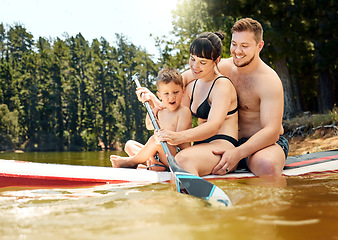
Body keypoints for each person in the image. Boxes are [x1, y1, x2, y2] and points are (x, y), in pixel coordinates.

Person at [183, 18, 289, 177]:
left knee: (267, 166)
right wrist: (153, 95)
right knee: (187, 162)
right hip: (225, 143)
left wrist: (238, 153)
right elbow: (182, 79)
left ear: (259, 46)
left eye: (244, 46)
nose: (237, 51)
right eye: (234, 44)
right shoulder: (222, 67)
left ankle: (271, 201)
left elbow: (272, 131)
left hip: (262, 145)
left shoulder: (269, 81)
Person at [154, 31, 238, 177]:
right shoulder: (193, 84)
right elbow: (173, 103)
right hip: (200, 147)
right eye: (192, 59)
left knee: (181, 160)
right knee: (155, 150)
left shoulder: (222, 85)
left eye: (202, 62)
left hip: (221, 147)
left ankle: (192, 198)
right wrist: (153, 101)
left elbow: (214, 126)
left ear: (216, 61)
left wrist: (178, 137)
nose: (195, 66)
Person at [110, 68, 191, 170]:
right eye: (166, 93)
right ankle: (156, 164)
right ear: (159, 95)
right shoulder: (161, 110)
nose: (171, 97)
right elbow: (149, 126)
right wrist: (153, 109)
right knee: (129, 145)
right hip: (161, 152)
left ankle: (131, 161)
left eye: (175, 92)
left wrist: (160, 138)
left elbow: (179, 139)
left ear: (183, 91)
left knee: (154, 140)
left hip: (177, 157)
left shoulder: (183, 111)